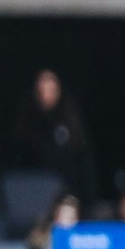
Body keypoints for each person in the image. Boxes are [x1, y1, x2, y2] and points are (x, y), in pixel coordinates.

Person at [8, 68, 95, 204]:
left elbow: (82, 159)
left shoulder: (71, 120)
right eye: (42, 90)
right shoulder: (26, 123)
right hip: (35, 193)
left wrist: (85, 198)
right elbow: (19, 162)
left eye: (51, 90)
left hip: (68, 194)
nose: (46, 95)